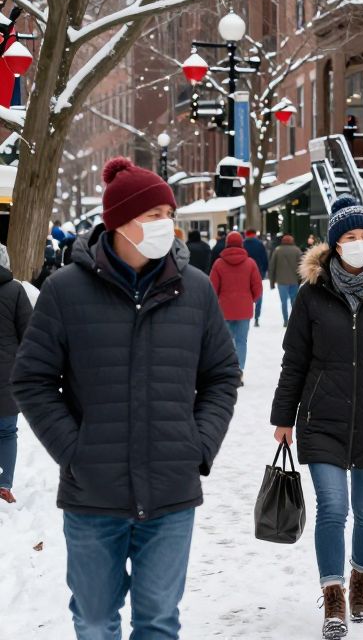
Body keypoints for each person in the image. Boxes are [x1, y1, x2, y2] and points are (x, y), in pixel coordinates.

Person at [11, 156, 240, 639]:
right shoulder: (64, 291)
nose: (166, 226)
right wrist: (74, 451)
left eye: (168, 216)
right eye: (154, 215)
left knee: (158, 621)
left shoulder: (195, 290)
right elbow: (31, 379)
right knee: (94, 619)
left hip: (171, 493)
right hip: (94, 496)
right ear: (120, 222)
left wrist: (199, 444)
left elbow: (221, 374)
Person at [270, 195, 363, 640]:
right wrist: (284, 415)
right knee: (333, 508)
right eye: (349, 237)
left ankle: (360, 581)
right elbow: (294, 359)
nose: (358, 244)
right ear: (335, 245)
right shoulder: (312, 295)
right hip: (322, 417)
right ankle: (333, 592)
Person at [0, 244, 32, 503]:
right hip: (7, 375)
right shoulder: (15, 291)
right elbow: (29, 335)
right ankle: (3, 483)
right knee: (7, 432)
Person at [210, 232, 262, 371]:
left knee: (225, 343)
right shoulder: (250, 263)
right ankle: (239, 371)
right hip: (244, 310)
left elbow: (212, 289)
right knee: (241, 342)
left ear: (227, 243)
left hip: (224, 310)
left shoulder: (218, 263)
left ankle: (227, 371)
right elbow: (257, 288)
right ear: (241, 244)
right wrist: (249, 299)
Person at [268, 233, 303, 325]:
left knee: (283, 302)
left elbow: (272, 266)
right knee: (294, 301)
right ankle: (293, 320)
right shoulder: (297, 250)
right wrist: (301, 280)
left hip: (281, 281)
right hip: (294, 281)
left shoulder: (277, 250)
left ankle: (285, 320)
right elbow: (302, 266)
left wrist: (272, 282)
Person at [243, 229, 269, 327]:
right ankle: (257, 318)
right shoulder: (260, 244)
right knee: (258, 294)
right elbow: (265, 258)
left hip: (245, 273)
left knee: (246, 294)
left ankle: (245, 316)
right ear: (254, 235)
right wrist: (264, 270)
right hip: (258, 272)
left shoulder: (243, 244)